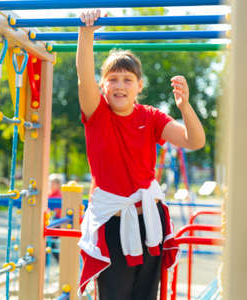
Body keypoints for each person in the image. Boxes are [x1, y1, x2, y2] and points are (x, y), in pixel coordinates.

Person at [76, 9, 206, 300]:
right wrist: (86, 33)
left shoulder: (151, 117)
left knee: (146, 294)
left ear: (139, 86)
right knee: (114, 294)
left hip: (149, 218)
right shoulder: (97, 115)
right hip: (112, 220)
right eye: (113, 79)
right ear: (103, 86)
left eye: (127, 79)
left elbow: (194, 140)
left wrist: (185, 105)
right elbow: (83, 75)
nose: (120, 85)